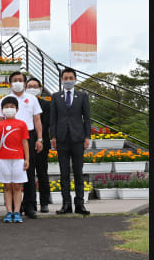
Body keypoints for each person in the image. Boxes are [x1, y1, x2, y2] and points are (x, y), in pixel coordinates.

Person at [0, 71, 43, 219]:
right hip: (8, 139)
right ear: (10, 83)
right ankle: (15, 209)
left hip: (27, 135)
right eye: (14, 80)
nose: (17, 82)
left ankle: (30, 206)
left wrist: (39, 138)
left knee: (28, 172)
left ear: (24, 82)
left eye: (20, 80)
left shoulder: (32, 99)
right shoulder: (4, 100)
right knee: (11, 179)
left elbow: (37, 120)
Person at [50, 67, 91, 215]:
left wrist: (87, 137)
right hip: (61, 139)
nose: (68, 81)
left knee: (78, 172)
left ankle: (80, 204)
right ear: (61, 80)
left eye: (70, 78)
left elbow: (87, 118)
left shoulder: (82, 96)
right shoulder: (55, 96)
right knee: (64, 173)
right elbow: (53, 119)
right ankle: (66, 204)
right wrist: (53, 136)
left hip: (78, 138)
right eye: (65, 78)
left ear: (75, 79)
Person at [0, 96, 30, 223]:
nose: (9, 109)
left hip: (18, 159)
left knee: (17, 186)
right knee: (7, 187)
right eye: (6, 107)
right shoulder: (0, 124)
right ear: (2, 110)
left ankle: (17, 212)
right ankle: (9, 212)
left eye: (12, 107)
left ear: (17, 109)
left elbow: (25, 142)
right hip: (4, 159)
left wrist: (27, 159)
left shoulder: (22, 124)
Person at [24, 78, 51, 213]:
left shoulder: (46, 105)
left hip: (41, 142)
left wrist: (38, 138)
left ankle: (44, 202)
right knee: (28, 174)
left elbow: (45, 123)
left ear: (40, 89)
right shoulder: (24, 103)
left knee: (42, 173)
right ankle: (29, 203)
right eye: (30, 86)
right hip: (26, 141)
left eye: (35, 86)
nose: (32, 88)